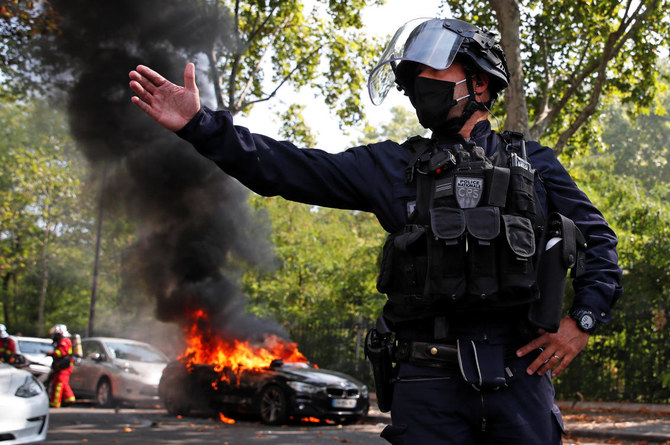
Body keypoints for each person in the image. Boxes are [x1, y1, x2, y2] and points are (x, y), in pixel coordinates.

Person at [129, 17, 622, 444]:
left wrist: (583, 321)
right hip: (427, 381)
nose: (418, 85)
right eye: (412, 80)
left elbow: (598, 240)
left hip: (521, 378)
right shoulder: (393, 165)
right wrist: (201, 124)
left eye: (431, 72)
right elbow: (286, 168)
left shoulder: (535, 164)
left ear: (481, 81)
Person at [48, 323, 76, 408]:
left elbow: (62, 352)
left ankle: (55, 403)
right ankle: (70, 399)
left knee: (58, 384)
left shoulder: (64, 341)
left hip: (64, 367)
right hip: (62, 366)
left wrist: (53, 353)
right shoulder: (62, 341)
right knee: (63, 383)